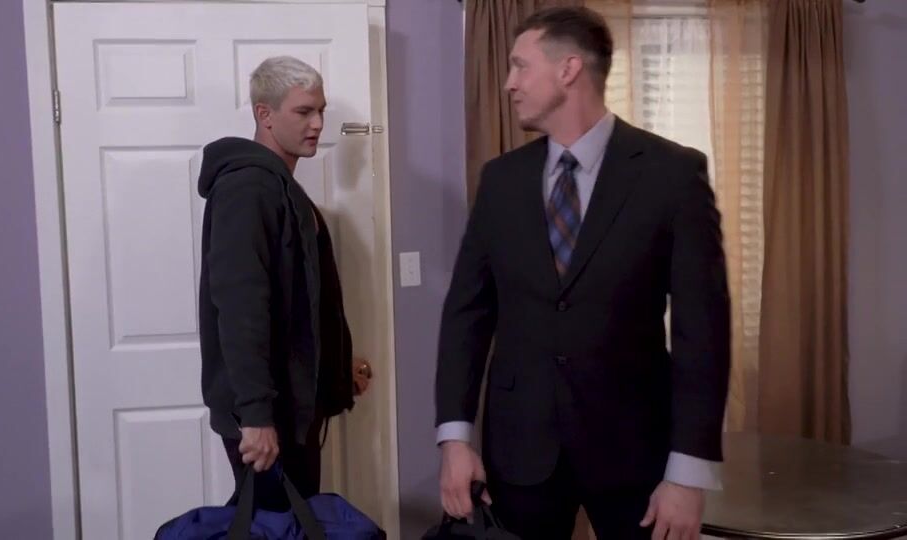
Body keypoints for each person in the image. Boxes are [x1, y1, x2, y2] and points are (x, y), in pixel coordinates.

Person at [435, 7, 731, 540]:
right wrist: (455, 439)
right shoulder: (501, 181)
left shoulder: (672, 174)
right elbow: (466, 315)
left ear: (568, 68)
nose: (509, 83)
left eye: (520, 66)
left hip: (635, 452)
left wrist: (689, 474)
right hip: (520, 450)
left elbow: (703, 333)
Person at [197, 56, 371, 510]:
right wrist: (256, 414)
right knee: (272, 525)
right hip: (268, 412)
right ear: (265, 114)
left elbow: (299, 302)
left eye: (321, 110)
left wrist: (335, 366)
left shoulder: (280, 186)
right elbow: (241, 305)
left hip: (291, 406)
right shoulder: (247, 189)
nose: (318, 124)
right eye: (304, 111)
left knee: (289, 524)